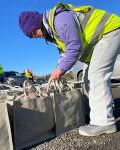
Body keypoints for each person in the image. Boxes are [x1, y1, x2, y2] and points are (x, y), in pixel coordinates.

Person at [19, 2, 120, 136]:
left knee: (97, 74)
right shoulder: (53, 33)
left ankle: (104, 122)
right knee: (86, 77)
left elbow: (74, 46)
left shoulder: (59, 19)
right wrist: (57, 70)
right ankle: (105, 111)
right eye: (31, 36)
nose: (36, 37)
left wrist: (60, 70)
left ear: (36, 24)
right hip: (101, 37)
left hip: (109, 30)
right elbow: (64, 54)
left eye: (33, 33)